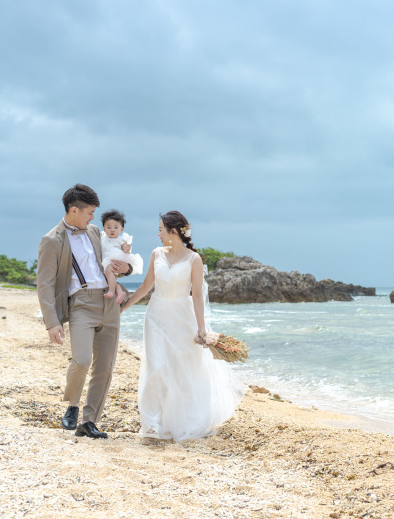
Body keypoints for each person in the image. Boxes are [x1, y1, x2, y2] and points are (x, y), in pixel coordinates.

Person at [120, 210, 244, 440]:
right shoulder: (157, 253)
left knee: (183, 369)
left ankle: (185, 419)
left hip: (182, 317)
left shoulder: (193, 259)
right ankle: (152, 423)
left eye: (160, 229)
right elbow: (147, 285)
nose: (157, 234)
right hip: (156, 315)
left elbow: (197, 295)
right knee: (156, 366)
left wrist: (201, 328)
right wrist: (124, 307)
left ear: (173, 232)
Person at [36, 184, 133, 439]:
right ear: (75, 210)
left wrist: (126, 269)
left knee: (105, 366)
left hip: (109, 302)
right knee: (81, 360)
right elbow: (44, 283)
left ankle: (89, 421)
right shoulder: (51, 240)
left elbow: (116, 259)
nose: (93, 218)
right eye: (90, 212)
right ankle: (72, 405)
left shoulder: (93, 232)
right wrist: (51, 322)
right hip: (81, 304)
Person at [100, 209, 143, 304]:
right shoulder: (102, 238)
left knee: (108, 273)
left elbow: (125, 249)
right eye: (109, 227)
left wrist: (126, 249)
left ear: (121, 229)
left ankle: (111, 291)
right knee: (110, 281)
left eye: (116, 227)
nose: (112, 230)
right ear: (104, 228)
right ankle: (119, 292)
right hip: (106, 262)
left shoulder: (120, 240)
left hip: (113, 262)